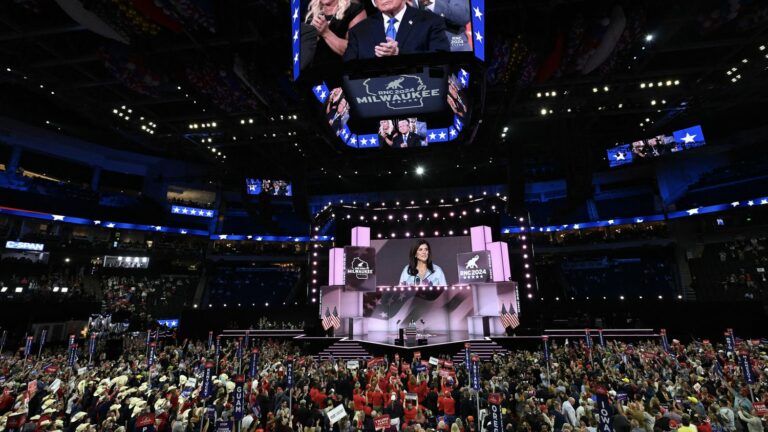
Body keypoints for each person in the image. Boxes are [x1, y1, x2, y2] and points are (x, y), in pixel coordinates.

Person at [343, 0, 450, 61]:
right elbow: (348, 70)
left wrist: (399, 53)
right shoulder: (359, 31)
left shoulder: (430, 22)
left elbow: (441, 59)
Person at [304, 0, 367, 68]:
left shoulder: (354, 10)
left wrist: (326, 33)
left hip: (343, 71)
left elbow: (355, 50)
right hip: (313, 72)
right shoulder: (310, 12)